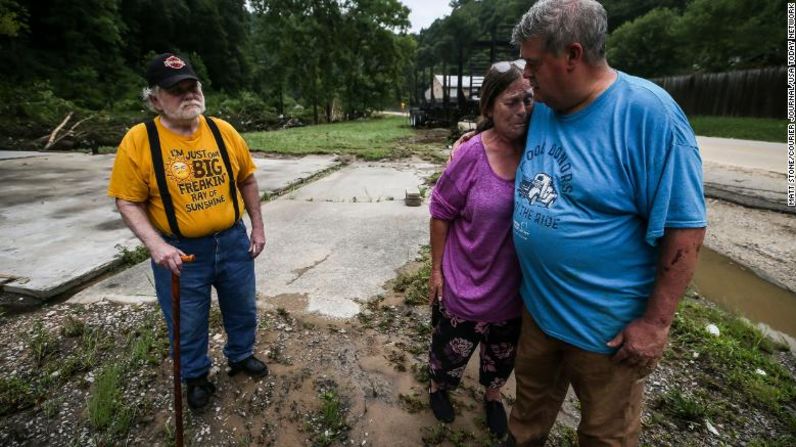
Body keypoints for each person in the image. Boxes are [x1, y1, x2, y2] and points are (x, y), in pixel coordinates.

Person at [503, 1, 707, 446]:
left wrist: (655, 325)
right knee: (526, 415)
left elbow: (685, 228)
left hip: (606, 335)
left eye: (534, 63)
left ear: (573, 55)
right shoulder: (543, 109)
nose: (527, 76)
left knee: (604, 435)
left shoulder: (649, 114)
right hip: (539, 314)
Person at [108, 53, 269, 410]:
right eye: (175, 90)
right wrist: (156, 246)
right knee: (187, 319)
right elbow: (127, 201)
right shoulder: (140, 140)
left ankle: (241, 356)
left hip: (232, 242)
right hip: (181, 252)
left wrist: (256, 226)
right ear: (154, 100)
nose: (187, 95)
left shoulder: (222, 130)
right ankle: (196, 376)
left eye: (191, 86)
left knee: (242, 308)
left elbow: (247, 179)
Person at [427, 60, 533, 437]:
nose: (522, 110)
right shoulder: (471, 153)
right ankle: (439, 387)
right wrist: (436, 271)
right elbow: (440, 211)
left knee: (502, 354)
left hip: (512, 291)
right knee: (449, 350)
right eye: (511, 102)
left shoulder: (538, 149)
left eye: (527, 100)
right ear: (489, 107)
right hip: (465, 283)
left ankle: (492, 396)